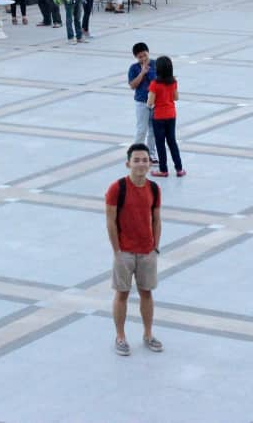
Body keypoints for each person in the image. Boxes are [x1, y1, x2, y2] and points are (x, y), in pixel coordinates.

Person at [105, 143, 164, 357]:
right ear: (128, 163)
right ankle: (120, 336)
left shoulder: (154, 189)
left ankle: (148, 334)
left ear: (149, 163)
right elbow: (110, 221)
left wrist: (155, 246)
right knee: (122, 294)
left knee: (146, 293)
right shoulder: (116, 188)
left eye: (144, 160)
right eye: (137, 160)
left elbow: (157, 219)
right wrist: (117, 250)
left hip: (147, 251)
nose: (141, 164)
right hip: (125, 252)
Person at [148, 55, 184, 178]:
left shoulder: (154, 84)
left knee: (160, 143)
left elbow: (150, 102)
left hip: (158, 116)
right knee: (172, 142)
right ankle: (179, 168)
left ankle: (163, 170)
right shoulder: (173, 82)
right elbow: (176, 98)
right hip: (171, 114)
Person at [128, 43, 158, 164]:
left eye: (145, 55)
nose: (143, 59)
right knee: (141, 129)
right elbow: (132, 85)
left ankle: (151, 154)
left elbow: (157, 81)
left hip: (156, 102)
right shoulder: (133, 68)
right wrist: (142, 73)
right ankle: (135, 154)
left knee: (154, 130)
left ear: (148, 53)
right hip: (141, 103)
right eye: (140, 57)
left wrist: (149, 71)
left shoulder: (156, 64)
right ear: (136, 57)